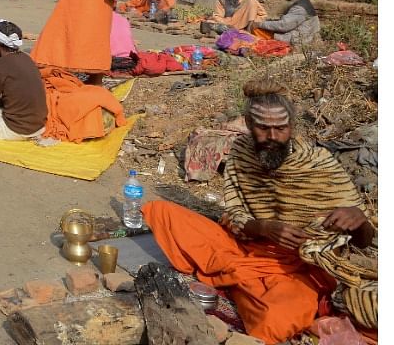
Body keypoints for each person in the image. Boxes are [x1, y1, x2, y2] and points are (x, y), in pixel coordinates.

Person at [142, 79, 377, 343]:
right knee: (160, 211)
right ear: (249, 124)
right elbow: (232, 215)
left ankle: (244, 287)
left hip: (300, 266)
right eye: (264, 128)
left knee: (274, 320)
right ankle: (243, 284)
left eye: (281, 128)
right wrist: (263, 228)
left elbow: (363, 243)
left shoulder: (320, 164)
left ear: (292, 126)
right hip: (248, 246)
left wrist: (360, 221)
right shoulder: (242, 152)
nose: (273, 137)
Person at [249, 0, 321, 45]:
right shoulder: (302, 3)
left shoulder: (300, 8)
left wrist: (259, 24)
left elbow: (283, 25)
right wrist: (267, 21)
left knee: (257, 30)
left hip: (299, 40)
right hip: (300, 36)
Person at [202, 0, 267, 34]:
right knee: (208, 23)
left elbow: (262, 14)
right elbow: (217, 16)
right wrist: (227, 22)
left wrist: (254, 22)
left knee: (252, 1)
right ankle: (236, 30)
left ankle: (248, 29)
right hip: (229, 24)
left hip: (247, 23)